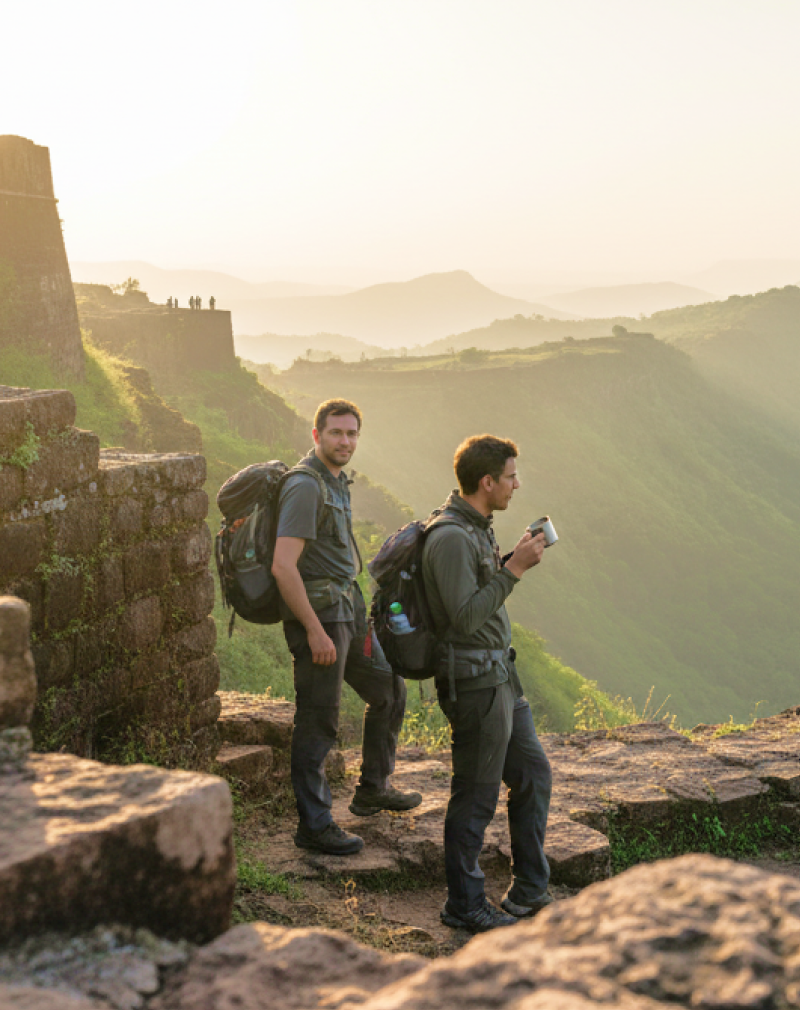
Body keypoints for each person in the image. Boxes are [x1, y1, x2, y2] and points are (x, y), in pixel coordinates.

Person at [272, 398, 421, 855]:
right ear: (316, 435)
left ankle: (373, 787)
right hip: (322, 618)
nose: (345, 441)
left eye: (352, 433)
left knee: (389, 690)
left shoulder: (337, 482)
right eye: (336, 433)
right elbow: (283, 566)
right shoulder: (305, 486)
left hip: (348, 612)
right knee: (319, 719)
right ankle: (314, 826)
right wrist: (314, 631)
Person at [422, 434, 552, 933]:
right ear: (487, 481)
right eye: (511, 477)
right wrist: (515, 570)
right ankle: (465, 903)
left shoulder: (477, 526)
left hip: (501, 677)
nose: (517, 485)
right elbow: (463, 619)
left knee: (533, 774)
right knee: (475, 797)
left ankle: (529, 889)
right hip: (476, 685)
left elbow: (476, 592)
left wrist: (507, 561)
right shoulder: (452, 536)